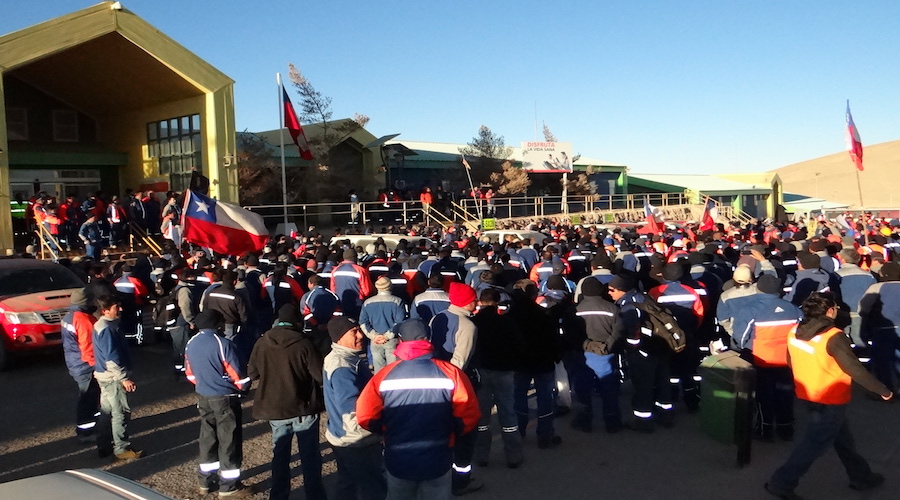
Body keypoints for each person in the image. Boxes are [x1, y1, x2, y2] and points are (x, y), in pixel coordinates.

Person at [765, 292, 892, 499]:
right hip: (830, 398)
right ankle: (781, 482)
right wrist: (882, 390)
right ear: (830, 311)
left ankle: (861, 476)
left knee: (843, 439)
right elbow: (854, 369)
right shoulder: (833, 336)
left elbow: (791, 360)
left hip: (808, 393)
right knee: (813, 445)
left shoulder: (794, 331)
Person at [356, 319, 480, 500]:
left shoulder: (383, 375)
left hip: (398, 455)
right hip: (439, 455)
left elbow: (365, 416)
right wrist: (451, 431)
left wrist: (385, 430)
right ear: (428, 339)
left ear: (400, 340)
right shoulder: (451, 372)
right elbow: (469, 414)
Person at [248, 304, 327, 500]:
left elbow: (251, 373)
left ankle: (279, 495)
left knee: (280, 454)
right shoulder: (304, 343)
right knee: (310, 456)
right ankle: (315, 495)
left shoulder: (262, 343)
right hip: (303, 406)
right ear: (297, 322)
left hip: (274, 407)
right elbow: (319, 376)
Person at [185, 310, 252, 497]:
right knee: (229, 439)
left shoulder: (191, 343)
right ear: (217, 324)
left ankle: (205, 481)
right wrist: (243, 388)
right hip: (224, 397)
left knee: (207, 436)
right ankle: (229, 486)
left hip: (203, 395)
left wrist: (205, 383)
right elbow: (237, 374)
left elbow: (190, 373)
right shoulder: (223, 344)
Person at [323, 317, 388, 500]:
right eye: (353, 332)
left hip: (339, 436)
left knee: (348, 483)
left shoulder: (339, 358)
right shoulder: (344, 367)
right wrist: (375, 430)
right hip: (357, 440)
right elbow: (351, 412)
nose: (361, 335)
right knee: (373, 486)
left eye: (359, 329)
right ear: (339, 337)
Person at [471, 288, 525, 469]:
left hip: (482, 372)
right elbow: (519, 346)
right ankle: (513, 455)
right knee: (508, 413)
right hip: (504, 372)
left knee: (482, 416)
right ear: (497, 303)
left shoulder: (474, 323)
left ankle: (482, 455)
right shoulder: (507, 323)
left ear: (480, 302)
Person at [508, 280, 563, 449]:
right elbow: (554, 338)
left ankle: (519, 431)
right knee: (545, 399)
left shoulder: (512, 315)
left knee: (519, 398)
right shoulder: (544, 315)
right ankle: (545, 435)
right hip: (543, 362)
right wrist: (556, 357)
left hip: (521, 363)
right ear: (534, 295)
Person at [92, 295, 141, 460]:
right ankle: (121, 448)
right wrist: (124, 378)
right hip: (113, 378)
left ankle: (104, 446)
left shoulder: (101, 326)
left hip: (103, 376)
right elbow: (111, 358)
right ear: (105, 310)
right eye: (116, 307)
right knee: (121, 412)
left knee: (106, 411)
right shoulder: (107, 329)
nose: (120, 309)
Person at [61, 288, 99, 443]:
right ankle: (86, 431)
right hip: (85, 366)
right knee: (87, 397)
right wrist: (97, 367)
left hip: (75, 362)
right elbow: (88, 346)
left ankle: (91, 424)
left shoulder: (68, 317)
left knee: (88, 395)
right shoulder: (83, 320)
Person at [359, 276, 407, 373]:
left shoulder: (367, 302)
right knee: (392, 370)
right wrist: (387, 336)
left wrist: (374, 336)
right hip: (391, 340)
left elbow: (363, 322)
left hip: (375, 341)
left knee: (378, 370)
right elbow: (399, 322)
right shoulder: (397, 301)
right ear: (390, 286)